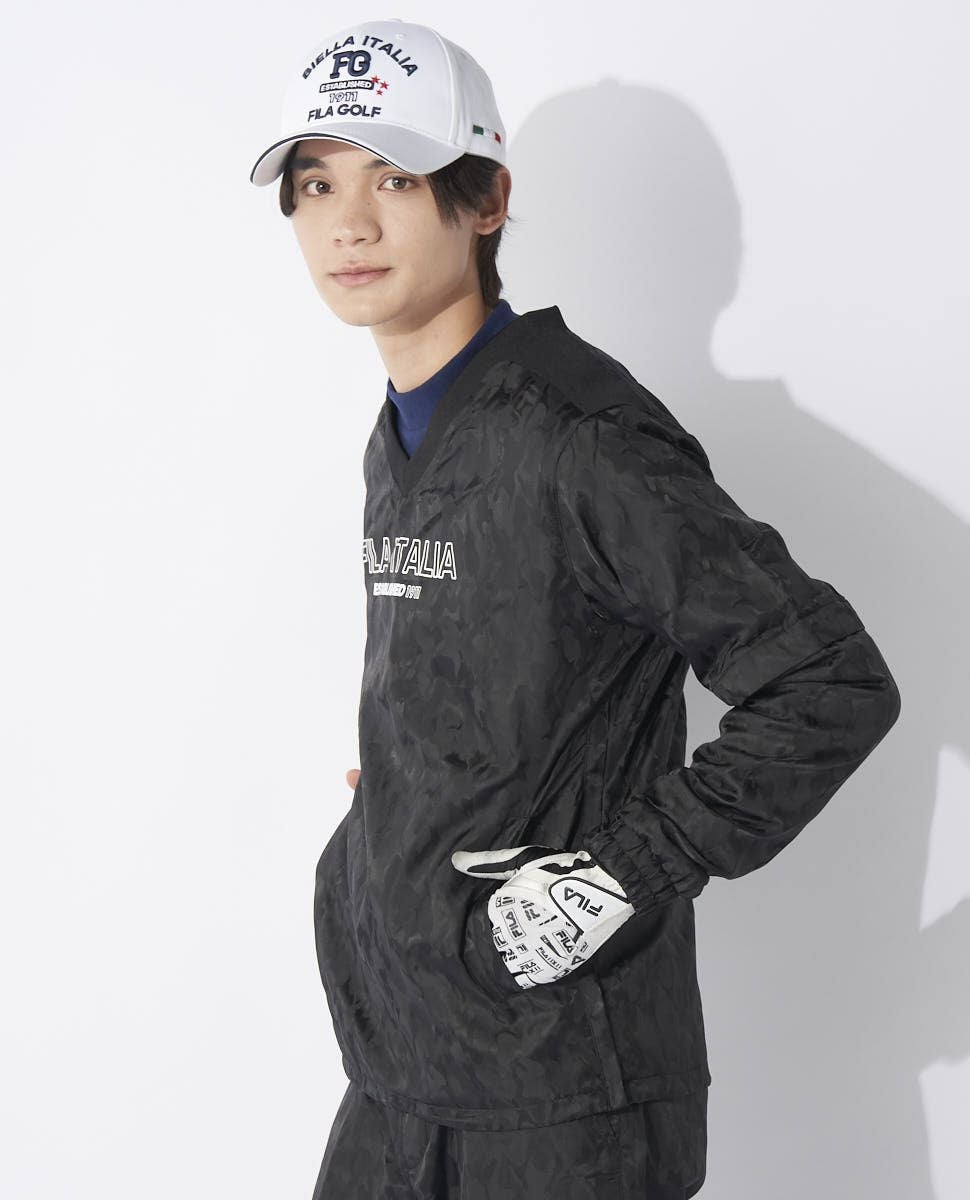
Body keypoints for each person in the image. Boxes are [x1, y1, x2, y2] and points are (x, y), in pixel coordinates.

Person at [249, 18, 902, 1199]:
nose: (347, 224)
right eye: (316, 184)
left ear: (486, 199)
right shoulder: (403, 433)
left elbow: (828, 685)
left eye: (394, 179)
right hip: (402, 1066)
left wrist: (619, 870)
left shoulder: (581, 438)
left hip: (561, 1094)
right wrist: (414, 783)